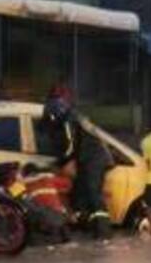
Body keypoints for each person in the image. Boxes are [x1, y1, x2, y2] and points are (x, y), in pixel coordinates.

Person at [44, 91, 113, 240]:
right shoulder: (74, 117)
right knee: (80, 195)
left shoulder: (70, 121)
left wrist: (63, 161)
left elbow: (69, 144)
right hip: (86, 159)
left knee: (93, 193)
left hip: (94, 159)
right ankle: (89, 229)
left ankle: (103, 232)